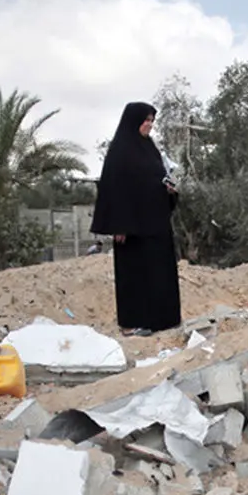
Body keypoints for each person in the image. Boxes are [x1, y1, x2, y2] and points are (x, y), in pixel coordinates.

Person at [89, 102, 181, 337]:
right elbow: (114, 188)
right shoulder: (120, 150)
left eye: (152, 120)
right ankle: (131, 323)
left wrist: (169, 190)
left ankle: (162, 320)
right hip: (131, 228)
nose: (149, 125)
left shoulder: (150, 149)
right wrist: (118, 224)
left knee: (160, 272)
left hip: (155, 223)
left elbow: (157, 177)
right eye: (145, 120)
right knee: (134, 276)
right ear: (134, 121)